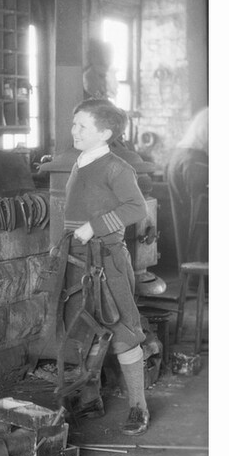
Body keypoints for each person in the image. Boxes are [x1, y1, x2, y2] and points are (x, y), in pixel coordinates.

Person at [62, 98, 150, 435]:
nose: (75, 131)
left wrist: (95, 226)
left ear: (106, 133)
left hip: (108, 262)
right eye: (74, 124)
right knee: (85, 331)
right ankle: (91, 398)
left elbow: (136, 208)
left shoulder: (117, 168)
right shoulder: (79, 162)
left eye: (82, 126)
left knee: (123, 332)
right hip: (77, 262)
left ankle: (138, 408)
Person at [166, 106, 208, 266]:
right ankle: (200, 279)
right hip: (195, 162)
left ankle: (190, 277)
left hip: (179, 158)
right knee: (201, 222)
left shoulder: (205, 113)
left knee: (183, 221)